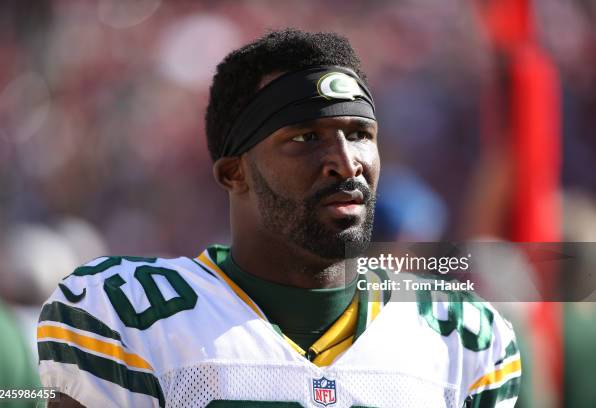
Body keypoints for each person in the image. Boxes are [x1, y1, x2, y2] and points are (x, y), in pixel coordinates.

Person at [38, 28, 520, 407]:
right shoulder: (129, 317)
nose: (345, 161)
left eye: (358, 134)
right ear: (234, 173)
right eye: (306, 138)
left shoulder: (462, 335)